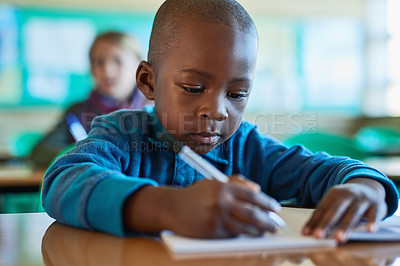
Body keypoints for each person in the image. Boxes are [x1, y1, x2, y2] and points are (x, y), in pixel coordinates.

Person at [42, 0, 399, 243]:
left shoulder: (247, 147)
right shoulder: (123, 134)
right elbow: (61, 181)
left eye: (237, 94)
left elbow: (326, 171)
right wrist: (168, 207)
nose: (218, 111)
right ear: (148, 82)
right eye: (194, 87)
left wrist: (367, 186)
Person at [30, 31, 151, 167]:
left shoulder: (154, 110)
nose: (107, 71)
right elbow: (40, 152)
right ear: (92, 69)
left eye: (118, 61)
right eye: (99, 62)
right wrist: (88, 154)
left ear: (139, 67)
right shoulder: (77, 112)